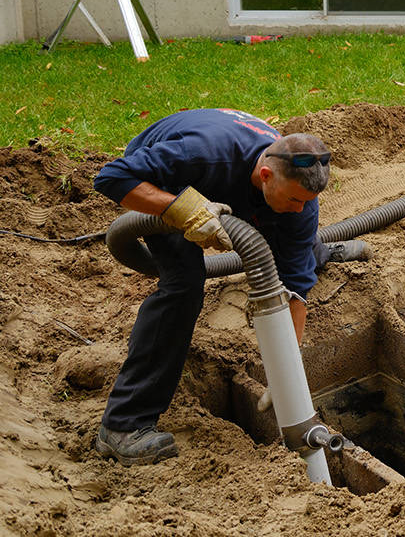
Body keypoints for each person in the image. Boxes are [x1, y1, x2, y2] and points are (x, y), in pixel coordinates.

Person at [91, 108, 364, 465]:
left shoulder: (297, 201)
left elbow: (295, 287)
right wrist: (182, 210)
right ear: (266, 175)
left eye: (307, 202)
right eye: (296, 199)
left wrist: (286, 371)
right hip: (172, 184)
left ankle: (318, 249)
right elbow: (111, 177)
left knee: (296, 242)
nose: (301, 209)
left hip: (240, 189)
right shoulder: (201, 155)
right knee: (184, 285)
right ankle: (122, 425)